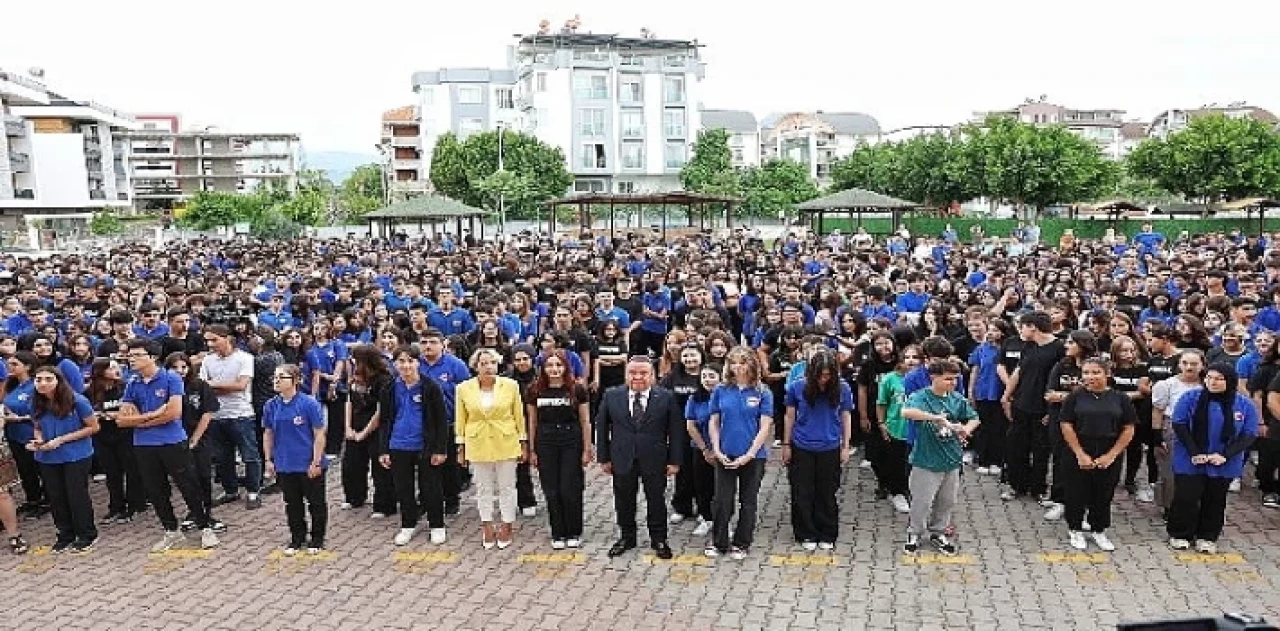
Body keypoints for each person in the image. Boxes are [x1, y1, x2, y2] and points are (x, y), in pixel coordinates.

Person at [116, 339, 219, 552]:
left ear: (152, 357)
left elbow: (173, 413)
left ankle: (204, 527)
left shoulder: (171, 378)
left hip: (172, 441)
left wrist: (140, 420)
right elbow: (122, 420)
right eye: (130, 355)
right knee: (156, 490)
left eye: (137, 355)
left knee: (188, 485)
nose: (131, 359)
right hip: (143, 445)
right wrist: (152, 415)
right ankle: (171, 530)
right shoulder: (132, 382)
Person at [597, 356, 683, 560]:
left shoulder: (666, 397)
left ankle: (659, 539)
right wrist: (604, 458)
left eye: (643, 373)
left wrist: (674, 460)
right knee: (623, 501)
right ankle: (627, 537)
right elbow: (601, 428)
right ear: (626, 374)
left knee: (656, 501)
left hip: (655, 458)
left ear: (652, 375)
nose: (637, 377)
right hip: (622, 457)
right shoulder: (611, 395)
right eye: (632, 373)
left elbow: (676, 430)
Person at [1167, 363, 1259, 553]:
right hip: (1191, 457)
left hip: (1224, 460)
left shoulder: (1244, 404)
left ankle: (1207, 536)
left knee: (1215, 499)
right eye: (1209, 378)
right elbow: (1180, 424)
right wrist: (1195, 452)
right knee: (1186, 497)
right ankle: (1180, 533)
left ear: (1229, 381)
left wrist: (1225, 455)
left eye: (1218, 379)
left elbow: (1249, 434)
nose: (1212, 382)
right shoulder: (1190, 398)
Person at [901, 359, 980, 556]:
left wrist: (965, 430)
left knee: (947, 500)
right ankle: (915, 532)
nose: (952, 383)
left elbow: (974, 418)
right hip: (925, 460)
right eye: (948, 379)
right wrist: (935, 418)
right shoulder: (921, 397)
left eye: (955, 379)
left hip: (951, 460)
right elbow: (906, 411)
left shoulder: (957, 399)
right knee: (922, 501)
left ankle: (938, 531)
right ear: (933, 378)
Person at [1058, 358, 1136, 551]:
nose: (1090, 377)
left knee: (1103, 493)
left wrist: (1112, 455)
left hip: (1108, 449)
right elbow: (1066, 424)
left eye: (1095, 373)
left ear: (1107, 374)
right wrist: (1080, 453)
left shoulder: (1120, 398)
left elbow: (1128, 428)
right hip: (1080, 447)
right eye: (1086, 373)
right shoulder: (1075, 397)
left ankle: (1098, 529)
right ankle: (1075, 529)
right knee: (1075, 491)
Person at [455, 348, 527, 550]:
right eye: (483, 363)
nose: (488, 367)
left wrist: (523, 442)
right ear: (475, 367)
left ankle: (506, 524)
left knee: (507, 487)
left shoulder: (510, 386)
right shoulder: (463, 388)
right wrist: (461, 447)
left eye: (492, 363)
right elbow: (461, 419)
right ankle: (486, 525)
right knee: (483, 487)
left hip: (506, 440)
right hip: (477, 442)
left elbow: (518, 416)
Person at [706, 347, 773, 560]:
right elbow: (714, 421)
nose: (738, 367)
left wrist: (750, 454)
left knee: (748, 500)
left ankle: (742, 543)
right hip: (725, 453)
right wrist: (716, 448)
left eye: (742, 362)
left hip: (753, 457)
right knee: (722, 500)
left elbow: (765, 427)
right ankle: (719, 542)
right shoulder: (721, 390)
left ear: (751, 365)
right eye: (733, 362)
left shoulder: (763, 392)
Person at [379, 345, 449, 547]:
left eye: (410, 361)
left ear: (418, 363)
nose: (406, 365)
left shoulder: (430, 387)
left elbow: (441, 420)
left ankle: (437, 525)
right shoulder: (389, 388)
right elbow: (384, 421)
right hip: (398, 444)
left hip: (424, 445)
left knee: (431, 487)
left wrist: (440, 449)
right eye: (401, 361)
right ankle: (408, 524)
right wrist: (383, 449)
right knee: (403, 488)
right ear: (395, 364)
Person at [782, 350, 852, 550]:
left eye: (829, 375)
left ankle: (827, 532)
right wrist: (786, 445)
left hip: (830, 447)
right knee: (802, 491)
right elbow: (789, 416)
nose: (824, 379)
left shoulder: (843, 389)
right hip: (801, 446)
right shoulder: (797, 388)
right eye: (820, 375)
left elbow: (846, 416)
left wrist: (846, 446)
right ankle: (806, 533)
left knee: (827, 492)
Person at [28, 366, 99, 553]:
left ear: (58, 381)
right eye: (38, 379)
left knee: (76, 495)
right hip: (48, 457)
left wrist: (61, 440)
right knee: (56, 497)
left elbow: (93, 427)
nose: (42, 383)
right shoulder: (36, 402)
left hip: (76, 455)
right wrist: (39, 439)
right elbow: (37, 426)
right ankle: (65, 534)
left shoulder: (78, 401)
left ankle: (87, 534)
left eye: (48, 379)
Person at [525, 349, 591, 549]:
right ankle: (557, 532)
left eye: (558, 365)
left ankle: (573, 531)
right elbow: (532, 421)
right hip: (546, 442)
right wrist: (532, 450)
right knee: (551, 489)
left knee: (569, 487)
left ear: (566, 367)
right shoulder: (534, 390)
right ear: (543, 368)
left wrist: (587, 449)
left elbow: (585, 421)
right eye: (550, 365)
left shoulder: (577, 389)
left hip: (571, 440)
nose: (554, 369)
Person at [262, 363, 328, 555]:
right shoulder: (271, 405)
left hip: (308, 462)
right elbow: (268, 433)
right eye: (275, 377)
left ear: (296, 380)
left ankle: (317, 538)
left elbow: (319, 434)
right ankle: (297, 538)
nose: (276, 381)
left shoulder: (309, 403)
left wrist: (316, 462)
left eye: (281, 377)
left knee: (315, 503)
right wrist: (269, 459)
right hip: (285, 463)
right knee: (292, 503)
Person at [199, 324, 262, 510]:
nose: (210, 344)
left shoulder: (245, 358)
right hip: (217, 415)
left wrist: (213, 386)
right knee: (222, 457)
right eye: (207, 340)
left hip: (241, 414)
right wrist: (223, 386)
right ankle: (230, 490)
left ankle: (253, 491)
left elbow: (241, 385)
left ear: (226, 338)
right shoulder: (208, 360)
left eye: (214, 340)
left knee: (249, 455)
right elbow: (202, 388)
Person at [164, 353, 225, 533]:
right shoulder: (165, 388)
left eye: (183, 367)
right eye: (174, 368)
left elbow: (208, 413)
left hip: (199, 438)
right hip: (174, 439)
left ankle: (207, 514)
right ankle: (193, 512)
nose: (180, 371)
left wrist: (195, 438)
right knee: (185, 479)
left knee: (204, 476)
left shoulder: (199, 386)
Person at [86, 357, 146, 524]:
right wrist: (96, 416)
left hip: (126, 435)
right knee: (112, 474)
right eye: (111, 368)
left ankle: (135, 505)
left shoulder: (126, 388)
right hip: (103, 437)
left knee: (132, 471)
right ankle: (116, 506)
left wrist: (116, 415)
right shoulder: (90, 392)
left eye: (117, 366)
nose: (117, 370)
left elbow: (136, 410)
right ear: (101, 371)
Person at [343, 344, 395, 516]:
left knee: (380, 467)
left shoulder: (384, 380)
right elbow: (349, 401)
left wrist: (364, 433)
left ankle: (384, 505)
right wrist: (348, 428)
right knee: (351, 464)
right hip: (356, 424)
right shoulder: (354, 377)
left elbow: (381, 411)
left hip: (377, 427)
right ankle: (354, 497)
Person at [683, 364, 721, 539]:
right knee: (702, 486)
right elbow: (691, 425)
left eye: (712, 376)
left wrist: (717, 450)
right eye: (704, 376)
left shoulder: (726, 397)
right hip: (701, 449)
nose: (707, 380)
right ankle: (706, 518)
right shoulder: (695, 398)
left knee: (721, 489)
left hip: (724, 450)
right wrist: (705, 449)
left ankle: (722, 521)